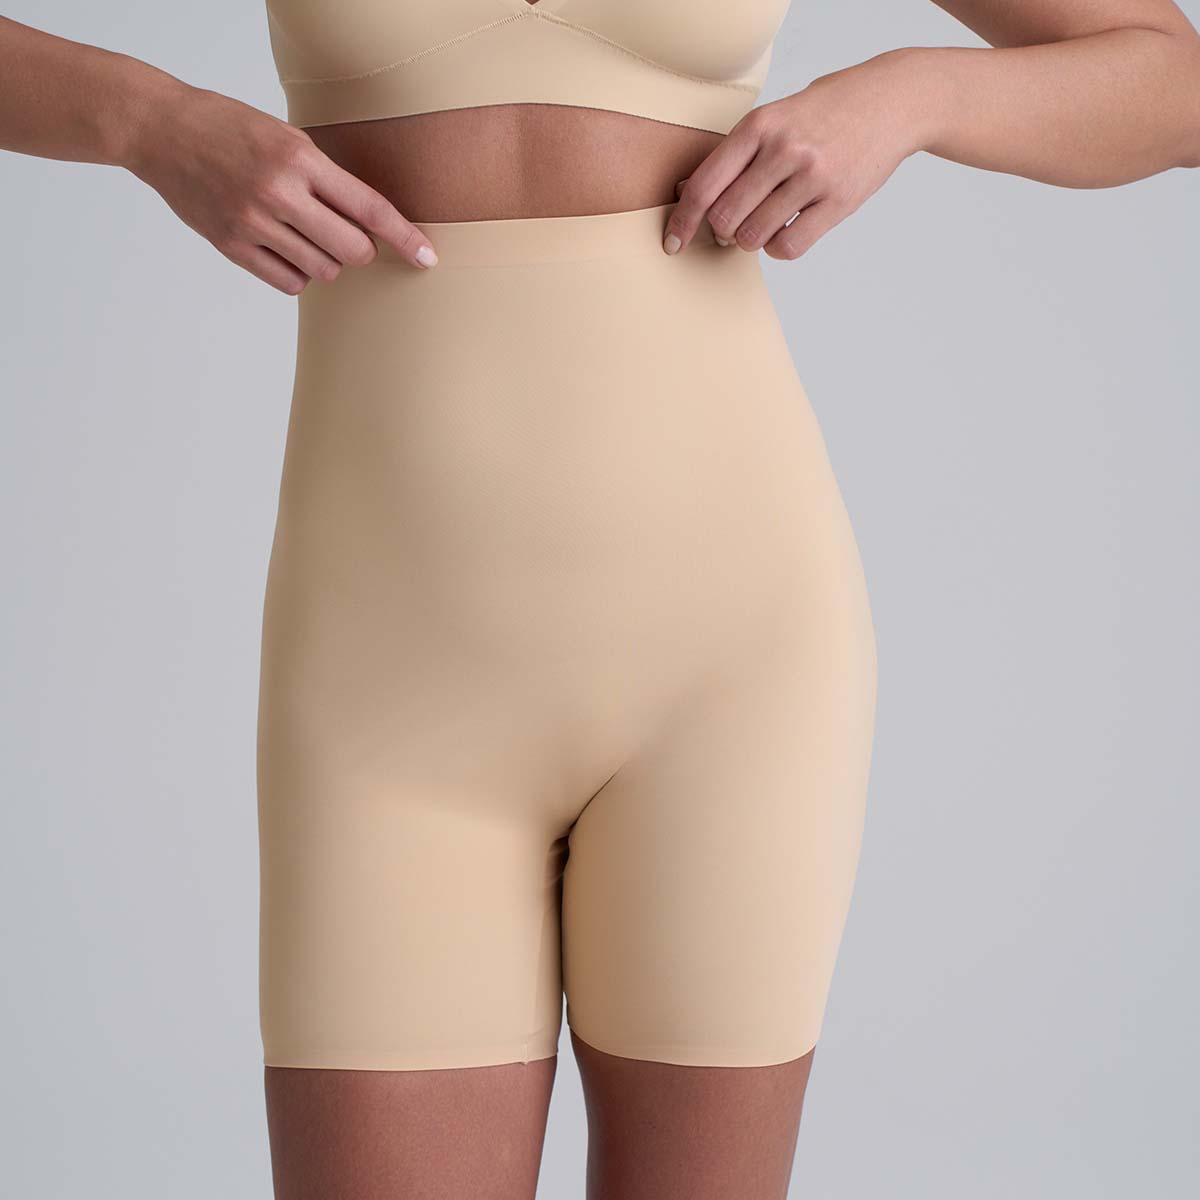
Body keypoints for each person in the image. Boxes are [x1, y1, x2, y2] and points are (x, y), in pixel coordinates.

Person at [3, 4, 1197, 1198]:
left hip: (732, 661)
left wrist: (916, 94)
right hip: (387, 675)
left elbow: (1174, 85)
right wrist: (146, 119)